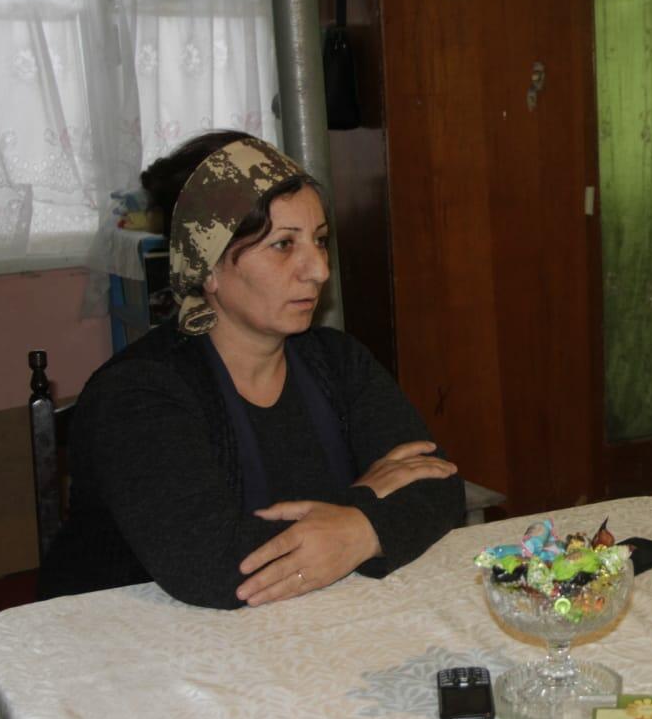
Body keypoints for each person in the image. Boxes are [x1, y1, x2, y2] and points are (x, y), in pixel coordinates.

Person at [39, 132, 465, 610]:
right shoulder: (138, 394)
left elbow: (441, 484)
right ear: (207, 268)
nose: (319, 270)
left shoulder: (338, 362)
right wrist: (366, 499)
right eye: (283, 245)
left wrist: (354, 528)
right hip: (120, 639)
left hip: (294, 624)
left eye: (319, 240)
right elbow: (216, 566)